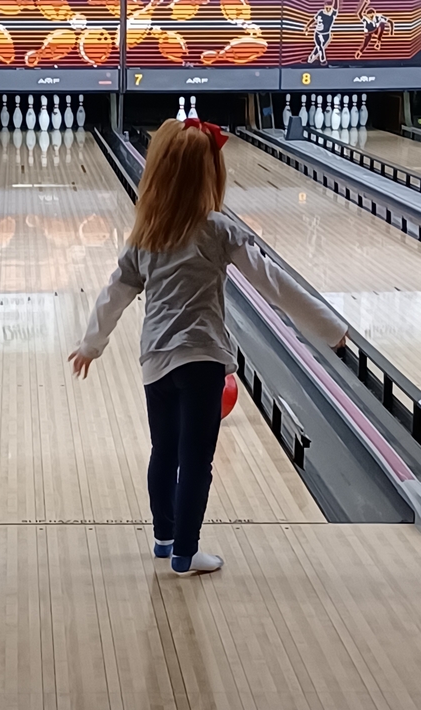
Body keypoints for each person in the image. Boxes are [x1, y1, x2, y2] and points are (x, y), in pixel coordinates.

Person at [69, 119, 346, 575]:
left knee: (163, 452)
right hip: (201, 360)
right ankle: (186, 552)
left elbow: (113, 294)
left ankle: (164, 539)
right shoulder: (218, 229)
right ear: (209, 175)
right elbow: (273, 284)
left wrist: (90, 345)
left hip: (155, 361)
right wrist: (330, 327)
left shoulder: (146, 236)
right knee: (196, 461)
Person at [305, 0, 338, 65]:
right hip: (317, 33)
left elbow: (336, 7)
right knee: (319, 46)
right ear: (324, 7)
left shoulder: (332, 13)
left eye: (329, 8)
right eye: (326, 8)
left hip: (326, 34)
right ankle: (323, 60)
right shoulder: (320, 12)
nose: (328, 9)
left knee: (319, 47)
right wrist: (308, 26)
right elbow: (314, 20)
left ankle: (310, 58)